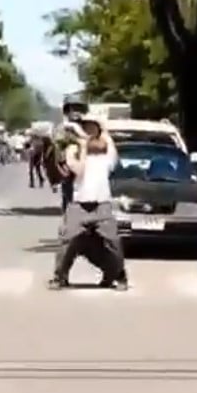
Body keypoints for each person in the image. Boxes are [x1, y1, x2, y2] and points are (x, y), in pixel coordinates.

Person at [49, 118, 129, 291]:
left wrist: (100, 125)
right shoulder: (73, 152)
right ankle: (59, 276)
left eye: (93, 132)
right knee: (67, 239)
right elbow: (80, 170)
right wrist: (83, 146)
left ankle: (119, 275)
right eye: (87, 131)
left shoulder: (107, 157)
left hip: (102, 205)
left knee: (113, 241)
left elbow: (108, 139)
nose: (90, 135)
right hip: (79, 206)